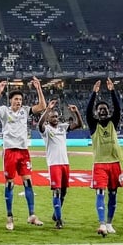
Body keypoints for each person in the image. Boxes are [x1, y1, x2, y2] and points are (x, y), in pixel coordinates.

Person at [0, 78, 48, 230]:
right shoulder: (4, 111)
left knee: (28, 181)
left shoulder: (25, 111)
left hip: (23, 151)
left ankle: (32, 215)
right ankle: (9, 217)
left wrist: (38, 88)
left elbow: (42, 106)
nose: (19, 101)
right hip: (9, 151)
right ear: (11, 101)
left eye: (20, 99)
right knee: (10, 183)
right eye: (16, 99)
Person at [38, 96, 83, 229]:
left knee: (63, 192)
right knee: (56, 191)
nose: (55, 119)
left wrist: (76, 112)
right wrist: (47, 109)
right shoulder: (46, 130)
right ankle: (58, 220)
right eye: (52, 117)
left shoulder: (63, 128)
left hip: (65, 163)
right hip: (54, 164)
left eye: (56, 116)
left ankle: (55, 214)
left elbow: (79, 124)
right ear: (48, 119)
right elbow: (39, 125)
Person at [86, 78, 123, 236]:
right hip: (100, 164)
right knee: (100, 192)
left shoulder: (113, 123)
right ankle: (101, 224)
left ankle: (109, 223)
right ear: (97, 112)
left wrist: (112, 91)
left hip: (114, 163)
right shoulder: (93, 125)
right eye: (99, 109)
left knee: (113, 194)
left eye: (104, 109)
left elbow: (118, 110)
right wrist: (94, 93)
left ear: (108, 111)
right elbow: (88, 111)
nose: (102, 110)